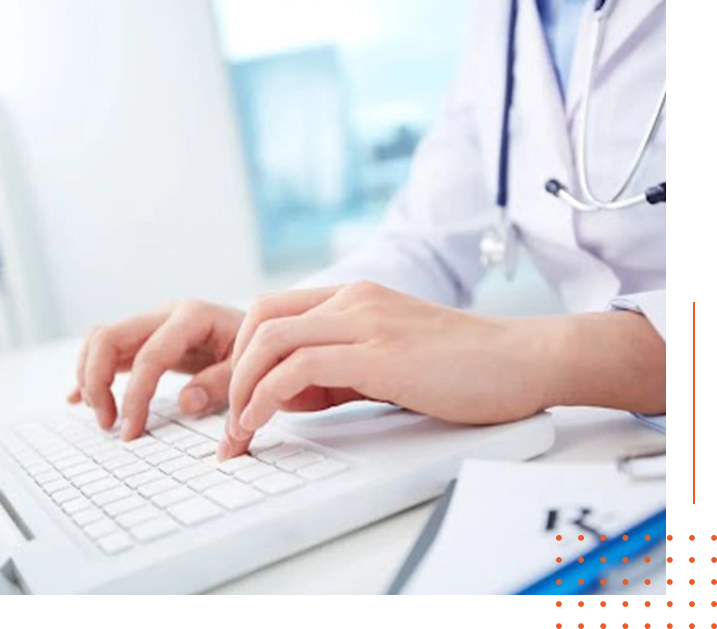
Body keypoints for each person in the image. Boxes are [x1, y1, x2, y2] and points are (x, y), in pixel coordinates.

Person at [68, 0, 667, 461]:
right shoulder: (506, 17)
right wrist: (284, 327)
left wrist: (535, 354)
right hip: (609, 446)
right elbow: (427, 243)